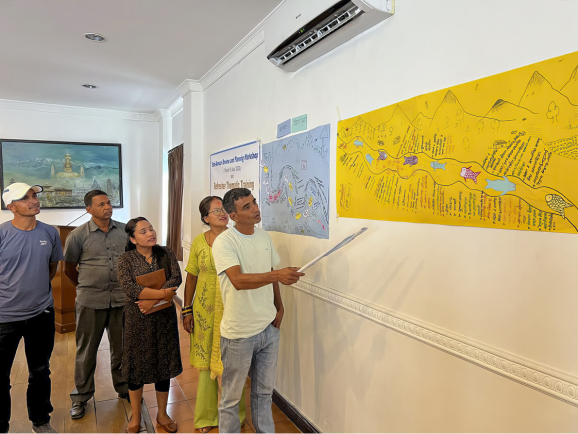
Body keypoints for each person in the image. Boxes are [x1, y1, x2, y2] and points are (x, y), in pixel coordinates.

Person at [213, 188, 304, 434]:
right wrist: (277, 274)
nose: (255, 209)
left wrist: (279, 307)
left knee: (264, 394)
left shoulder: (263, 236)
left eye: (254, 203)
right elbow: (238, 281)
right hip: (239, 333)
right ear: (233, 216)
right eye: (247, 207)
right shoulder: (224, 242)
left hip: (268, 328)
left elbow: (271, 272)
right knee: (231, 400)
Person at [0, 183, 63, 434]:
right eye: (25, 198)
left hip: (41, 314)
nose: (34, 200)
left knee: (40, 371)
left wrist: (38, 294)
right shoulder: (2, 234)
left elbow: (51, 267)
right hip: (5, 317)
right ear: (10, 206)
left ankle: (40, 421)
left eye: (34, 195)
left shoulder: (50, 232)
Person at [63, 190, 129, 419]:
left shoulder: (124, 232)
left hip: (121, 300)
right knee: (86, 352)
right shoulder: (78, 235)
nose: (107, 207)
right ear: (89, 209)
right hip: (90, 301)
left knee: (122, 349)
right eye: (101, 204)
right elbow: (69, 269)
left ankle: (124, 389)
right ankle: (80, 398)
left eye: (109, 203)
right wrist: (86, 285)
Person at [183, 196, 246, 433]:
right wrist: (186, 309)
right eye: (216, 210)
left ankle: (235, 416)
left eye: (223, 209)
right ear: (205, 218)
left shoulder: (239, 238)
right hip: (204, 312)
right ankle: (207, 417)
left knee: (233, 365)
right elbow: (191, 276)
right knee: (206, 365)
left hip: (233, 309)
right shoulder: (200, 242)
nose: (222, 213)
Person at [117, 217, 183, 434]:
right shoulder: (126, 259)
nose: (150, 233)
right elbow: (129, 287)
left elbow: (176, 279)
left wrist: (154, 299)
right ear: (133, 238)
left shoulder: (166, 253)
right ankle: (136, 416)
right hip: (138, 318)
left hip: (164, 317)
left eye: (151, 229)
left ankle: (162, 413)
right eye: (143, 231)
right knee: (136, 367)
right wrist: (163, 294)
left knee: (163, 364)